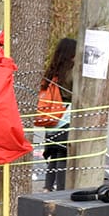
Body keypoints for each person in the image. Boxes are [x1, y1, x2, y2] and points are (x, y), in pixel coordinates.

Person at [37, 37, 76, 191]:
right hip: (65, 115)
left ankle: (48, 186)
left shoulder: (52, 70)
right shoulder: (72, 72)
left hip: (52, 115)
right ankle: (61, 188)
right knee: (63, 153)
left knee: (53, 152)